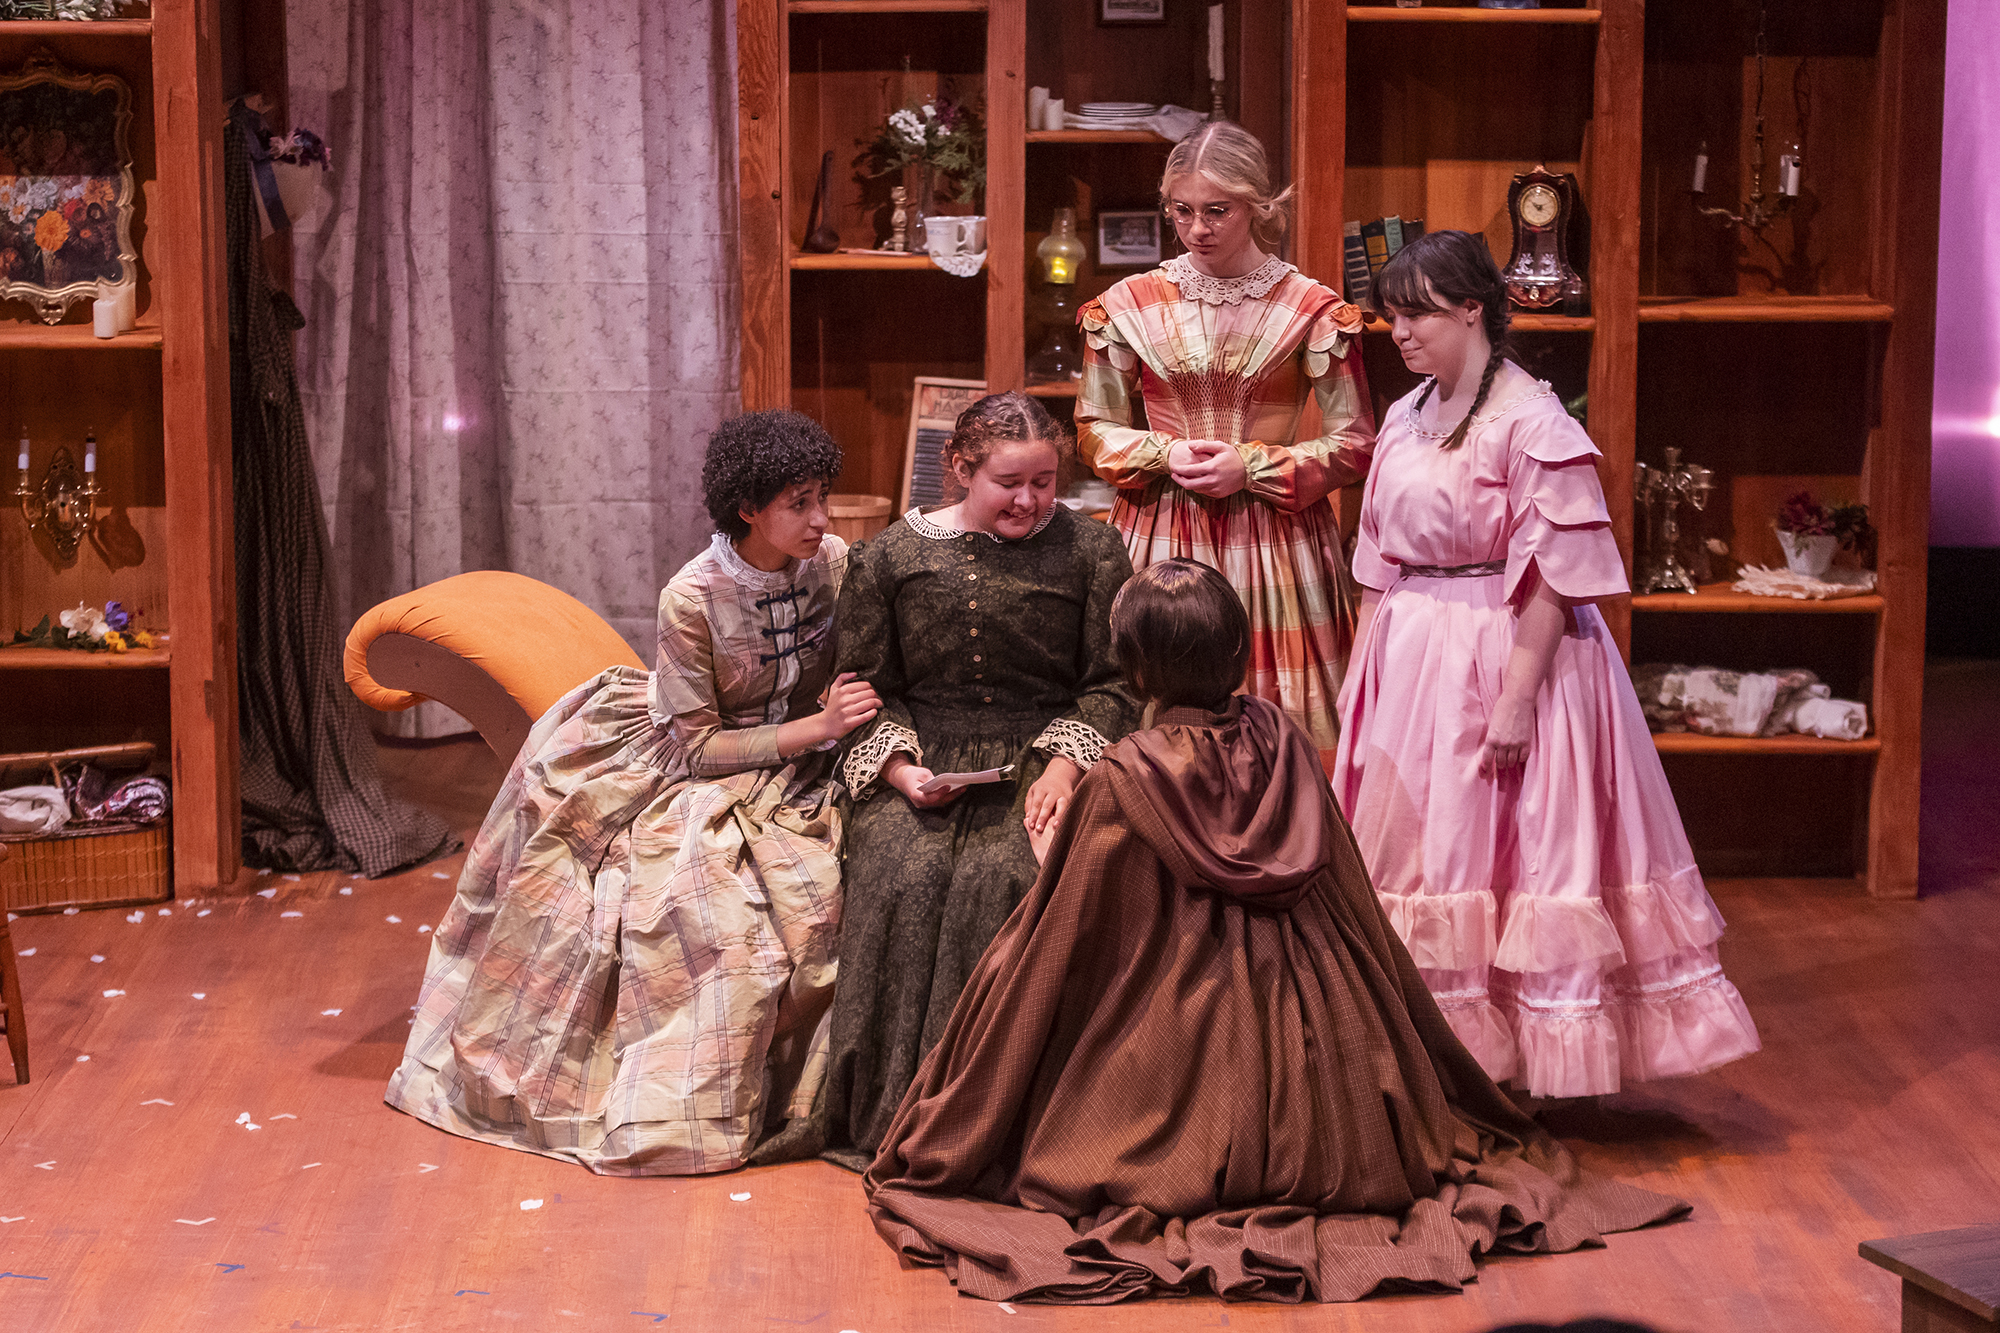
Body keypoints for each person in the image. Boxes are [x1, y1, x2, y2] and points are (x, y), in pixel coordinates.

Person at [864, 559, 1690, 1305]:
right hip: (1320, 1048)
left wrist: (1052, 862)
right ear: (1237, 655)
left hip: (1171, 1040)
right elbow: (1349, 894)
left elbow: (1068, 934)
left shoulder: (1125, 773)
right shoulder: (1285, 739)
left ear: (1138, 667)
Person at [386, 409, 881, 1174]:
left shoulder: (834, 562)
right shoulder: (691, 596)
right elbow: (700, 745)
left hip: (811, 748)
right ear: (748, 508)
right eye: (798, 503)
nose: (820, 520)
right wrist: (813, 730)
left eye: (823, 497)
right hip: (703, 759)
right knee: (696, 902)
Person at [1331, 230, 1762, 1099]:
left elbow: (1558, 578)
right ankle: (1428, 1060)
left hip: (1507, 651)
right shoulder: (1409, 416)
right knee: (1421, 851)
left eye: (1415, 314)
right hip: (1413, 660)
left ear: (1472, 309)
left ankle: (1511, 1062)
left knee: (1509, 853)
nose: (1400, 332)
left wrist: (1518, 699)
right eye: (1391, 316)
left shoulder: (1532, 421)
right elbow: (1377, 558)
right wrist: (1358, 674)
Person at [753, 391, 1138, 1172]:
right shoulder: (890, 555)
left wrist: (1064, 767)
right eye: (1008, 482)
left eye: (1043, 481)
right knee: (905, 868)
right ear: (961, 469)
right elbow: (865, 687)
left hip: (1045, 755)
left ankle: (997, 1122)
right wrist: (899, 771)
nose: (1029, 499)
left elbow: (1114, 685)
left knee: (1005, 875)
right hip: (919, 760)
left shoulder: (1094, 552)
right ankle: (894, 1111)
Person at [1075, 120, 1374, 767]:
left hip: (1273, 540)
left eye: (1218, 210)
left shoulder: (1309, 307)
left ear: (1257, 207)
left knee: (1274, 727)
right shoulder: (1130, 302)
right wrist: (1163, 452)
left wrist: (1254, 465)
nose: (1198, 228)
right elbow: (1094, 429)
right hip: (1161, 534)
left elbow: (1355, 442)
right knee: (1145, 719)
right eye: (1182, 211)